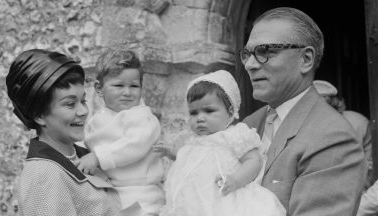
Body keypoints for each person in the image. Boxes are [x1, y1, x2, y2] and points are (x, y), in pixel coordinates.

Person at [241, 7, 366, 215]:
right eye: (247, 54)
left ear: (306, 59)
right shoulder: (249, 124)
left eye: (264, 51)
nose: (250, 65)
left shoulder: (334, 138)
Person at [6, 49, 142, 215]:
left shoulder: (83, 155)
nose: (83, 111)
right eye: (70, 104)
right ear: (39, 115)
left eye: (83, 101)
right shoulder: (43, 176)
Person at [157, 70, 286, 216]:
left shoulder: (233, 136)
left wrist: (236, 180)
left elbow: (254, 160)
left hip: (222, 198)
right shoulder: (193, 141)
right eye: (194, 113)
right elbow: (190, 162)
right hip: (193, 203)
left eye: (209, 111)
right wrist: (171, 153)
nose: (200, 118)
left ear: (230, 112)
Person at [76, 49, 165, 215]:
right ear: (99, 88)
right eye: (118, 85)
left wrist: (97, 157)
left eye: (134, 86)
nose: (127, 92)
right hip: (110, 191)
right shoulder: (97, 119)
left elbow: (135, 145)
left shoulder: (141, 117)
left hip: (141, 194)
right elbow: (87, 141)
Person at [313, 80, 373, 190]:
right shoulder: (304, 129)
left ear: (336, 105)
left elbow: (370, 160)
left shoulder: (358, 122)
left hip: (357, 190)